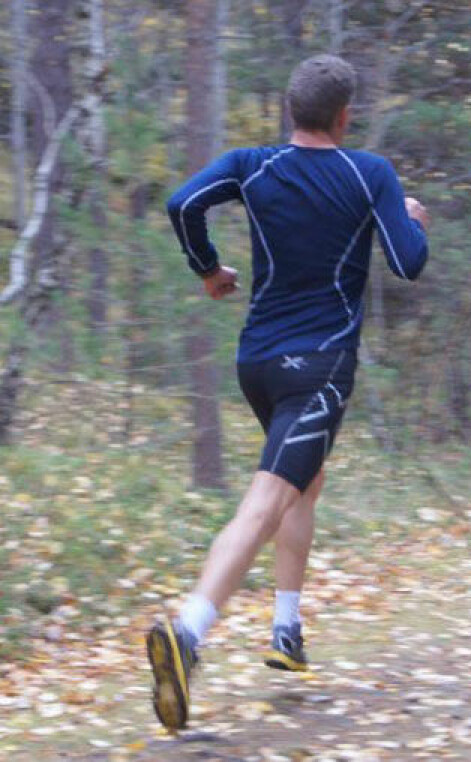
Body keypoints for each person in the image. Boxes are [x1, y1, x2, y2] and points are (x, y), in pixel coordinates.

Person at [147, 54, 430, 731]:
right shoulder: (370, 174)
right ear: (344, 115)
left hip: (258, 363)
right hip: (320, 367)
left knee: (306, 481)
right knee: (269, 499)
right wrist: (412, 219)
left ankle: (287, 631)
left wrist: (208, 270)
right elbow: (408, 263)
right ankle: (187, 635)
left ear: (289, 109)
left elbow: (182, 203)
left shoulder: (253, 163)